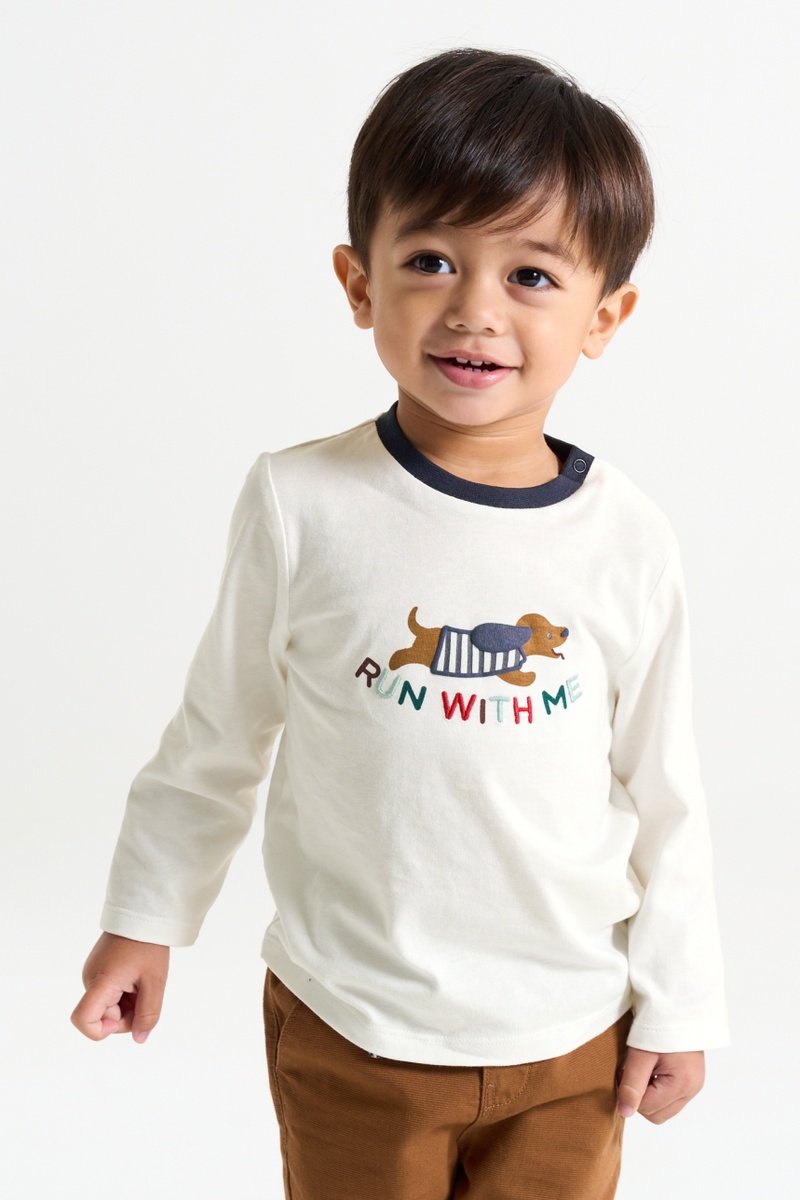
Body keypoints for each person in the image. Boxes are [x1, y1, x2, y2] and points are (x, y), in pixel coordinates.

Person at [71, 47, 731, 1199]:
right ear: (357, 282)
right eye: (429, 261)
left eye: (530, 275)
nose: (473, 309)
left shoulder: (625, 538)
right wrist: (145, 918)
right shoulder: (301, 504)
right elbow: (217, 736)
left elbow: (664, 792)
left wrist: (680, 1001)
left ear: (604, 316)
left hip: (570, 1038)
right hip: (353, 1026)